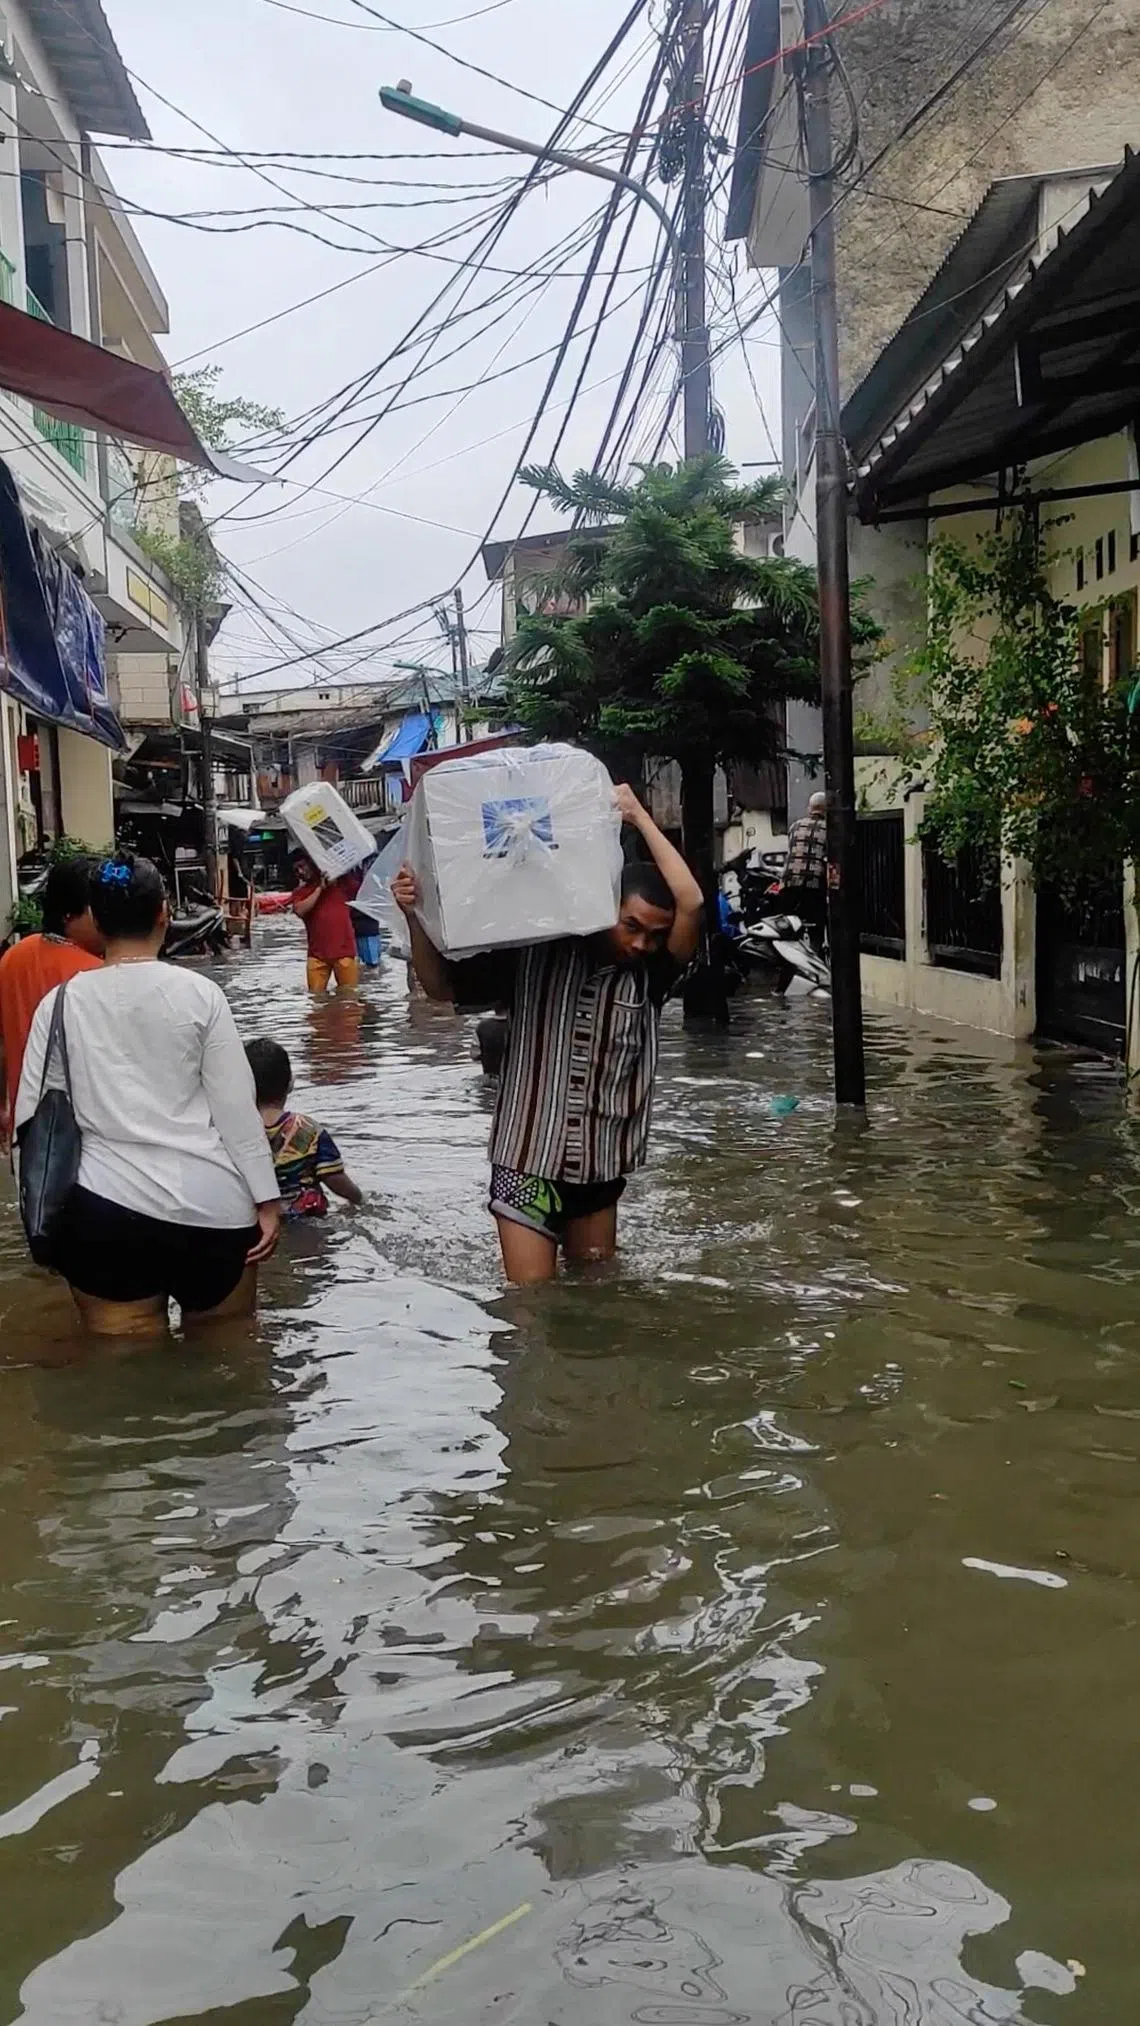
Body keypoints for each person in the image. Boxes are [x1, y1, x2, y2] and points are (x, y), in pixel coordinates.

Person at [392, 782, 703, 1285]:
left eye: (655, 934)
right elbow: (441, 989)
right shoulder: (534, 952)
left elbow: (691, 902)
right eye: (631, 926)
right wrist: (414, 917)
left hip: (599, 1169)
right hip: (527, 1161)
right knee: (530, 1303)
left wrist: (638, 817)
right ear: (606, 907)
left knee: (594, 1302)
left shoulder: (649, 979)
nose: (642, 943)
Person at [15, 852, 281, 1337]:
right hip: (213, 1208)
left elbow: (29, 1123)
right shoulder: (201, 995)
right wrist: (267, 1198)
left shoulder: (60, 1005)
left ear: (94, 919)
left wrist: (41, 1225)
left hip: (102, 1214)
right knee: (229, 1360)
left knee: (124, 1373)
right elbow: (236, 1111)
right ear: (164, 913)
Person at [0, 856, 103, 1151]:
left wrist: (3, 1106)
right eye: (97, 910)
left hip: (25, 1127)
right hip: (81, 1136)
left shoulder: (12, 958)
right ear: (69, 914)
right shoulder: (95, 973)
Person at [245, 1036, 363, 1218]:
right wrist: (360, 1199)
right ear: (290, 1083)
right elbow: (336, 1181)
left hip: (255, 1219)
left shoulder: (232, 1131)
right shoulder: (308, 1130)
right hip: (306, 1218)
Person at [291, 851, 359, 994]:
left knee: (349, 996)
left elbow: (360, 889)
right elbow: (300, 910)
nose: (300, 872)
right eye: (296, 869)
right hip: (317, 955)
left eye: (302, 866)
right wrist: (320, 889)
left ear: (312, 863)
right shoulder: (300, 892)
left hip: (344, 951)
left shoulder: (341, 883)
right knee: (316, 998)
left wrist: (337, 872)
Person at [781, 791, 829, 950]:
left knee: (791, 923)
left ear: (810, 809)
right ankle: (815, 953)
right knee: (817, 924)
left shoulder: (794, 826)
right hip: (814, 884)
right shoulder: (829, 829)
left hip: (788, 882)